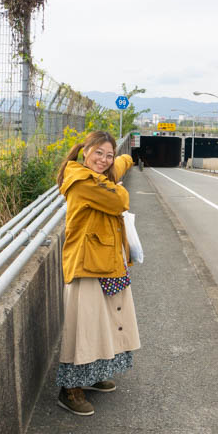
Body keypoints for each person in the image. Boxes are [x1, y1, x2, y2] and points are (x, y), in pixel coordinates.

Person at [55, 130, 140, 416]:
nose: (103, 160)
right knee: (83, 328)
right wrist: (116, 185)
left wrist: (127, 159)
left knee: (104, 324)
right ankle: (69, 389)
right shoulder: (81, 181)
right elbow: (119, 201)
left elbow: (123, 163)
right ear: (85, 152)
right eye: (98, 153)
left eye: (109, 155)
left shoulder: (99, 176)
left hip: (106, 260)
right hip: (86, 264)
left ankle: (92, 376)